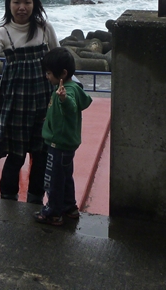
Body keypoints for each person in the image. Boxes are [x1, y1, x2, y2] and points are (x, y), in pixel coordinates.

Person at [0, 0, 59, 203]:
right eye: (16, 2)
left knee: (41, 154)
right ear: (9, 5)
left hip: (44, 102)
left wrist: (73, 85)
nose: (22, 7)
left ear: (34, 4)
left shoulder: (45, 28)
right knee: (16, 157)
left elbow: (58, 56)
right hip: (15, 104)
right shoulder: (2, 33)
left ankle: (35, 200)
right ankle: (8, 200)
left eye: (27, 1)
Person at [34, 46, 93, 226]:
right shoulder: (73, 87)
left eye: (50, 73)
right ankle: (70, 207)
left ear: (63, 73)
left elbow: (71, 107)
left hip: (58, 145)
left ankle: (53, 212)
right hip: (68, 144)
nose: (47, 76)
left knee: (53, 180)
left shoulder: (67, 92)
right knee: (66, 177)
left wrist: (63, 99)